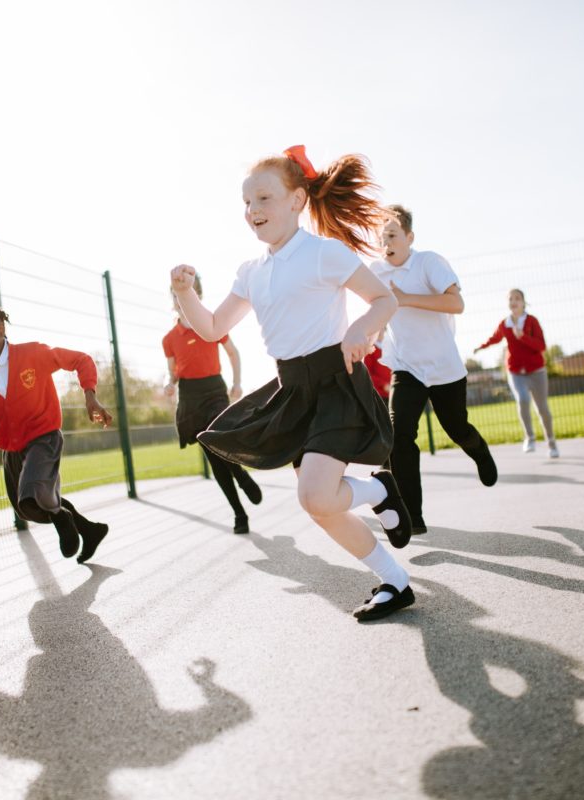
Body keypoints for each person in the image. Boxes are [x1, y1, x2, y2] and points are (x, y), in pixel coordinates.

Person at [171, 145, 415, 622]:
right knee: (320, 505)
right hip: (291, 391)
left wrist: (358, 330)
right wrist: (185, 295)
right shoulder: (252, 272)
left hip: (335, 382)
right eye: (247, 202)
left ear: (298, 200)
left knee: (315, 495)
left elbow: (383, 300)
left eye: (264, 198)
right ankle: (395, 580)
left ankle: (379, 493)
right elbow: (214, 327)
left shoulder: (324, 253)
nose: (253, 211)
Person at [0, 305, 113, 561]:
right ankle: (90, 530)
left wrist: (90, 395)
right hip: (11, 448)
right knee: (26, 508)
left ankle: (62, 517)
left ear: (0, 329)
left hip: (44, 437)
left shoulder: (33, 353)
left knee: (33, 493)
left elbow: (80, 360)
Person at [370, 205, 498, 534]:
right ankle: (413, 516)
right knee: (399, 438)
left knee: (456, 427)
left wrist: (405, 298)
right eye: (382, 236)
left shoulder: (429, 262)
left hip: (443, 366)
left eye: (393, 235)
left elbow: (456, 304)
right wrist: (374, 333)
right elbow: (379, 312)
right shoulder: (375, 272)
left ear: (409, 237)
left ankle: (479, 451)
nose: (386, 241)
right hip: (406, 367)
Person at [163, 274, 262, 534]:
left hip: (214, 391)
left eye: (187, 291)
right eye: (175, 293)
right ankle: (240, 514)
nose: (179, 297)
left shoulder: (211, 324)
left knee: (220, 438)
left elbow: (233, 353)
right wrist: (169, 383)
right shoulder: (170, 338)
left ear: (198, 295)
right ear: (173, 299)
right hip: (190, 396)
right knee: (214, 458)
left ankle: (241, 475)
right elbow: (171, 371)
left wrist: (237, 382)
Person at [475, 289, 558, 457]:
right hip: (515, 371)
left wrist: (523, 337)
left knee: (542, 409)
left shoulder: (532, 321)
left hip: (536, 371)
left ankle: (551, 443)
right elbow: (495, 338)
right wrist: (481, 346)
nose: (513, 301)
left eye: (517, 298)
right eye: (510, 299)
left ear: (523, 302)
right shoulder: (505, 324)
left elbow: (542, 346)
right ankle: (530, 437)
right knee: (522, 399)